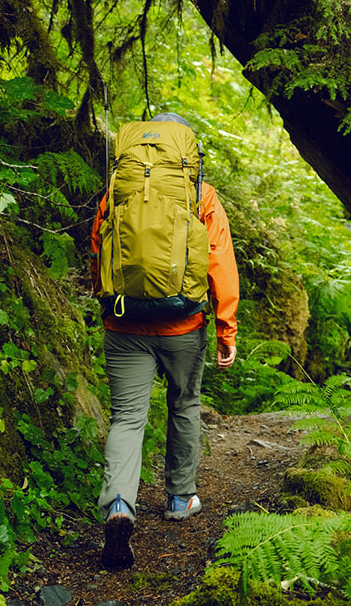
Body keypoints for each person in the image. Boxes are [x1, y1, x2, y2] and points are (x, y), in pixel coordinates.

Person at [89, 112, 239, 570]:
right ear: (186, 153)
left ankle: (118, 505)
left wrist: (110, 301)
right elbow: (220, 264)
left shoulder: (117, 189)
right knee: (184, 405)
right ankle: (179, 499)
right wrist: (226, 327)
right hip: (183, 325)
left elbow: (98, 247)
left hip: (124, 324)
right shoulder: (201, 194)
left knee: (128, 418)